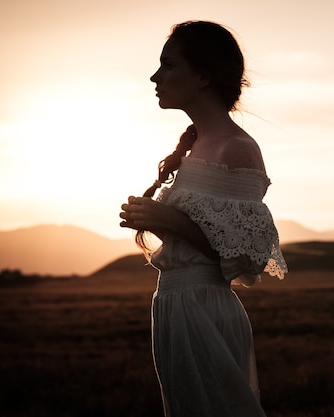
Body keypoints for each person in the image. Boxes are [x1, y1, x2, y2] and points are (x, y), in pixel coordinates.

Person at [119, 20, 287, 417]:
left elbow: (246, 258)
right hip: (173, 306)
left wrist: (171, 222)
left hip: (204, 308)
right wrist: (158, 221)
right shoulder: (197, 147)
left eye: (168, 65)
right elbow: (211, 237)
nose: (155, 76)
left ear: (204, 75)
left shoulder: (238, 149)